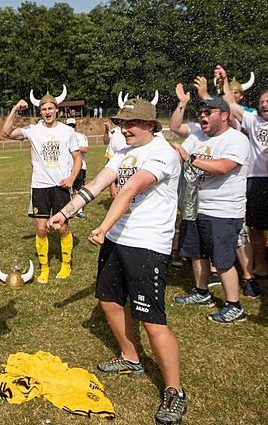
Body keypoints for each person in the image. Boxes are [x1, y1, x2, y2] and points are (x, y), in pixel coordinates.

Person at [48, 97, 187, 425]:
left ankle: (175, 391)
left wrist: (102, 226)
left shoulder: (162, 153)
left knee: (152, 321)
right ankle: (130, 357)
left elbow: (130, 190)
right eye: (122, 123)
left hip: (147, 243)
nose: (124, 129)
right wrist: (65, 212)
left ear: (150, 125)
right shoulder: (125, 152)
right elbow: (97, 184)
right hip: (118, 239)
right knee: (109, 300)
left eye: (130, 123)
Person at [170, 96, 251, 324]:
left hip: (223, 210)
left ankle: (234, 305)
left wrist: (190, 158)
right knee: (197, 253)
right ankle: (202, 292)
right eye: (201, 112)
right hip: (194, 206)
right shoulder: (197, 136)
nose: (202, 116)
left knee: (222, 260)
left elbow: (224, 167)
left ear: (224, 116)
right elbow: (178, 155)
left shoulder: (236, 139)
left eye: (208, 112)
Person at [2, 87, 81, 283]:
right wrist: (15, 109)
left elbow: (77, 158)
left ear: (57, 110)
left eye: (50, 108)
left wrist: (72, 178)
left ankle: (65, 264)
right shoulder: (33, 130)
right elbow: (6, 133)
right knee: (41, 229)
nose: (47, 112)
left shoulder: (68, 131)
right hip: (39, 186)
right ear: (40, 111)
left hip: (61, 186)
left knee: (62, 227)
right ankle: (44, 268)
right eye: (44, 109)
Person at [216, 64, 268, 291]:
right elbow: (230, 103)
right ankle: (260, 265)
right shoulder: (253, 120)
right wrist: (223, 81)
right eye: (262, 101)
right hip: (257, 179)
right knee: (256, 227)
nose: (265, 104)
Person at [66, 117, 89, 219]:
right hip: (66, 167)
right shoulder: (63, 136)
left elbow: (85, 148)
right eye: (69, 125)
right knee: (68, 190)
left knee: (79, 189)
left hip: (80, 167)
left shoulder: (81, 136)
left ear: (75, 126)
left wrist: (72, 147)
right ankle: (69, 210)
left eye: (72, 125)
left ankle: (79, 211)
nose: (71, 127)